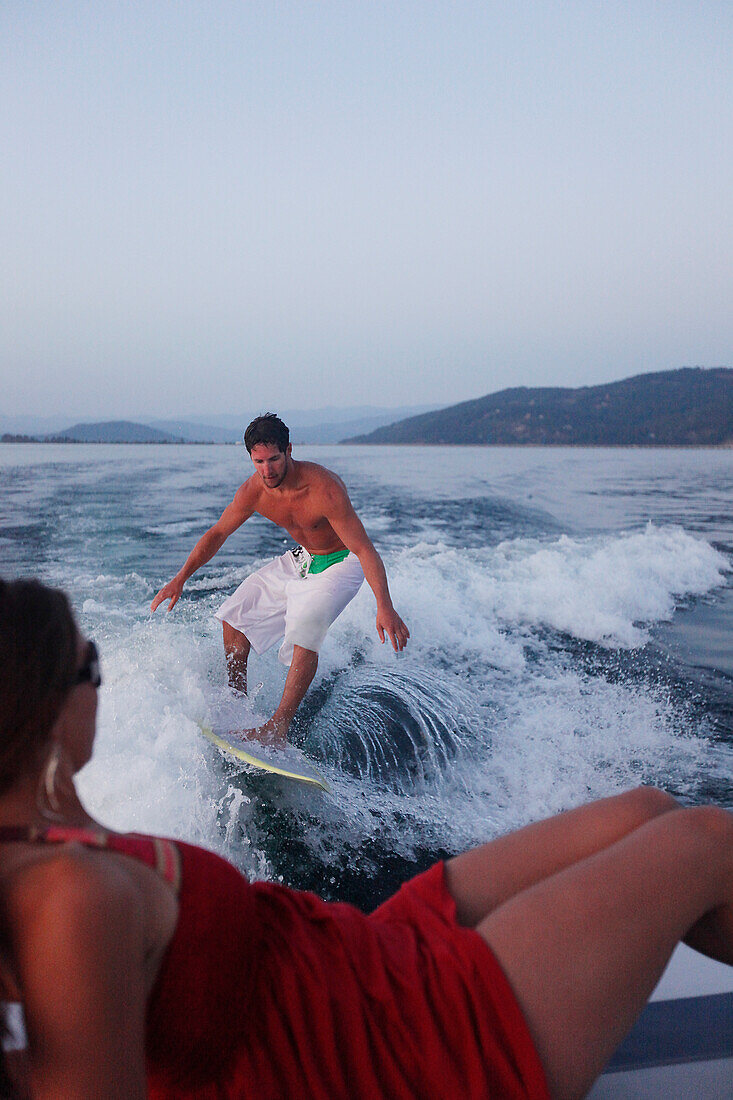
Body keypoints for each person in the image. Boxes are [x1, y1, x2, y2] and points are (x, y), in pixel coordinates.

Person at [1, 579, 733, 1100]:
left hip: (352, 958)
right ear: (46, 702)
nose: (104, 686)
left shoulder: (48, 842)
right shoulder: (70, 894)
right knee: (704, 839)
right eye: (92, 665)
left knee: (642, 810)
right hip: (380, 1047)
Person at [151, 413, 409, 744]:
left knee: (306, 624)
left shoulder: (323, 489)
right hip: (303, 558)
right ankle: (236, 702)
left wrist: (384, 606)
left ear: (289, 450)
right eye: (259, 461)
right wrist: (180, 578)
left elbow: (365, 549)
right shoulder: (253, 491)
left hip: (344, 560)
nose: (267, 470)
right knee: (235, 616)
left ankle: (277, 728)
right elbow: (217, 533)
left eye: (273, 459)